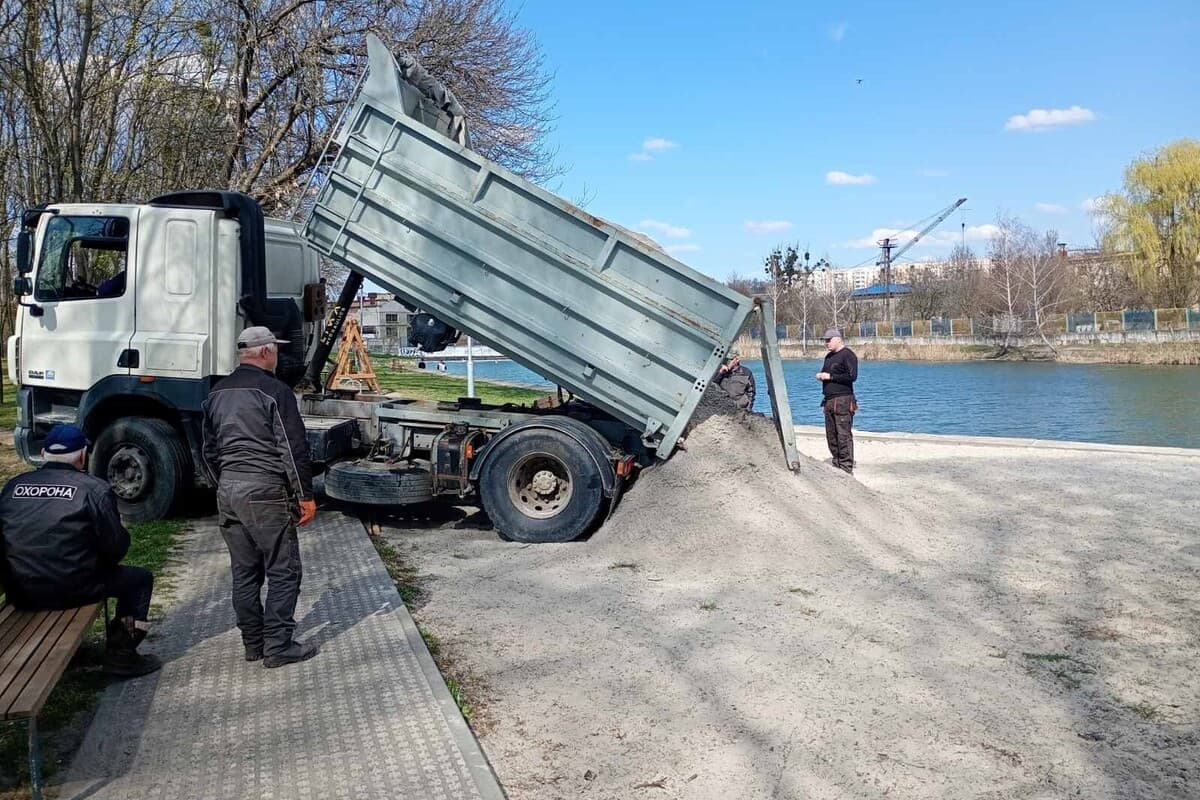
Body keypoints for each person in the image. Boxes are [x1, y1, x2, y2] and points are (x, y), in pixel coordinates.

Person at [0, 424, 161, 677]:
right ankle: (122, 654)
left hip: (21, 592)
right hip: (74, 588)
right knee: (139, 580)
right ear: (83, 455)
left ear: (43, 453)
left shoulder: (12, 487)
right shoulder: (93, 489)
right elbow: (115, 547)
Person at [202, 326, 318, 668]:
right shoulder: (275, 392)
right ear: (266, 353)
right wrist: (305, 496)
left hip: (229, 491)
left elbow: (207, 451)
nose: (278, 356)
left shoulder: (216, 394)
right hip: (265, 490)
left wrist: (222, 485)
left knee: (245, 571)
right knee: (284, 570)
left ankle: (253, 644)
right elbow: (292, 448)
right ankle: (278, 646)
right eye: (277, 350)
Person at [816, 328, 858, 474]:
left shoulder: (848, 355)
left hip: (843, 400)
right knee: (831, 435)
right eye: (825, 341)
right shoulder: (828, 357)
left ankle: (846, 468)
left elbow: (852, 376)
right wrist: (821, 376)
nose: (826, 343)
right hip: (828, 400)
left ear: (838, 339)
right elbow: (826, 373)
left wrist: (830, 377)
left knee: (843, 435)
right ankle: (836, 463)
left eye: (829, 340)